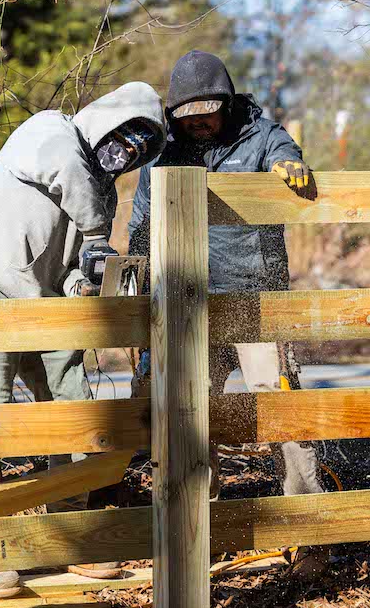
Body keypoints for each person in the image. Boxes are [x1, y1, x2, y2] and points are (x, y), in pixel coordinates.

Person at [0, 80, 166, 598]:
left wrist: (84, 280)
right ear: (106, 120)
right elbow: (66, 173)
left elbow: (68, 263)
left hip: (42, 304)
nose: (124, 155)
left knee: (74, 412)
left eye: (136, 152)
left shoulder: (100, 192)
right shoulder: (50, 131)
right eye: (124, 139)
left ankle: (71, 532)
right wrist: (98, 237)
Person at [127, 50, 328, 575]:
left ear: (227, 104)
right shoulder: (163, 155)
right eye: (188, 116)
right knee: (191, 412)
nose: (199, 124)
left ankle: (308, 532)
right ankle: (200, 530)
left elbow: (284, 149)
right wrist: (140, 298)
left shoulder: (261, 138)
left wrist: (288, 165)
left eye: (208, 113)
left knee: (279, 406)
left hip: (253, 298)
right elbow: (142, 229)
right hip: (185, 303)